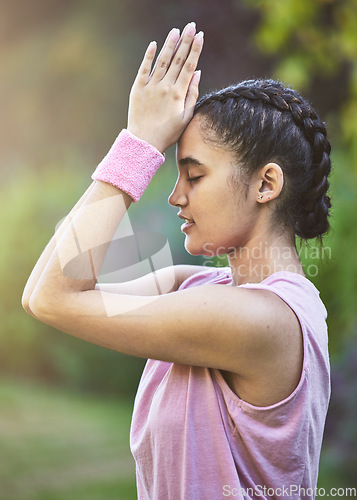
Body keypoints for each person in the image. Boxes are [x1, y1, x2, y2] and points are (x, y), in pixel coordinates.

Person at [22, 21, 331, 500]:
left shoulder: (263, 321)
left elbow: (54, 298)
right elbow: (48, 290)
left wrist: (138, 144)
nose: (174, 196)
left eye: (195, 175)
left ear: (266, 184)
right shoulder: (194, 289)